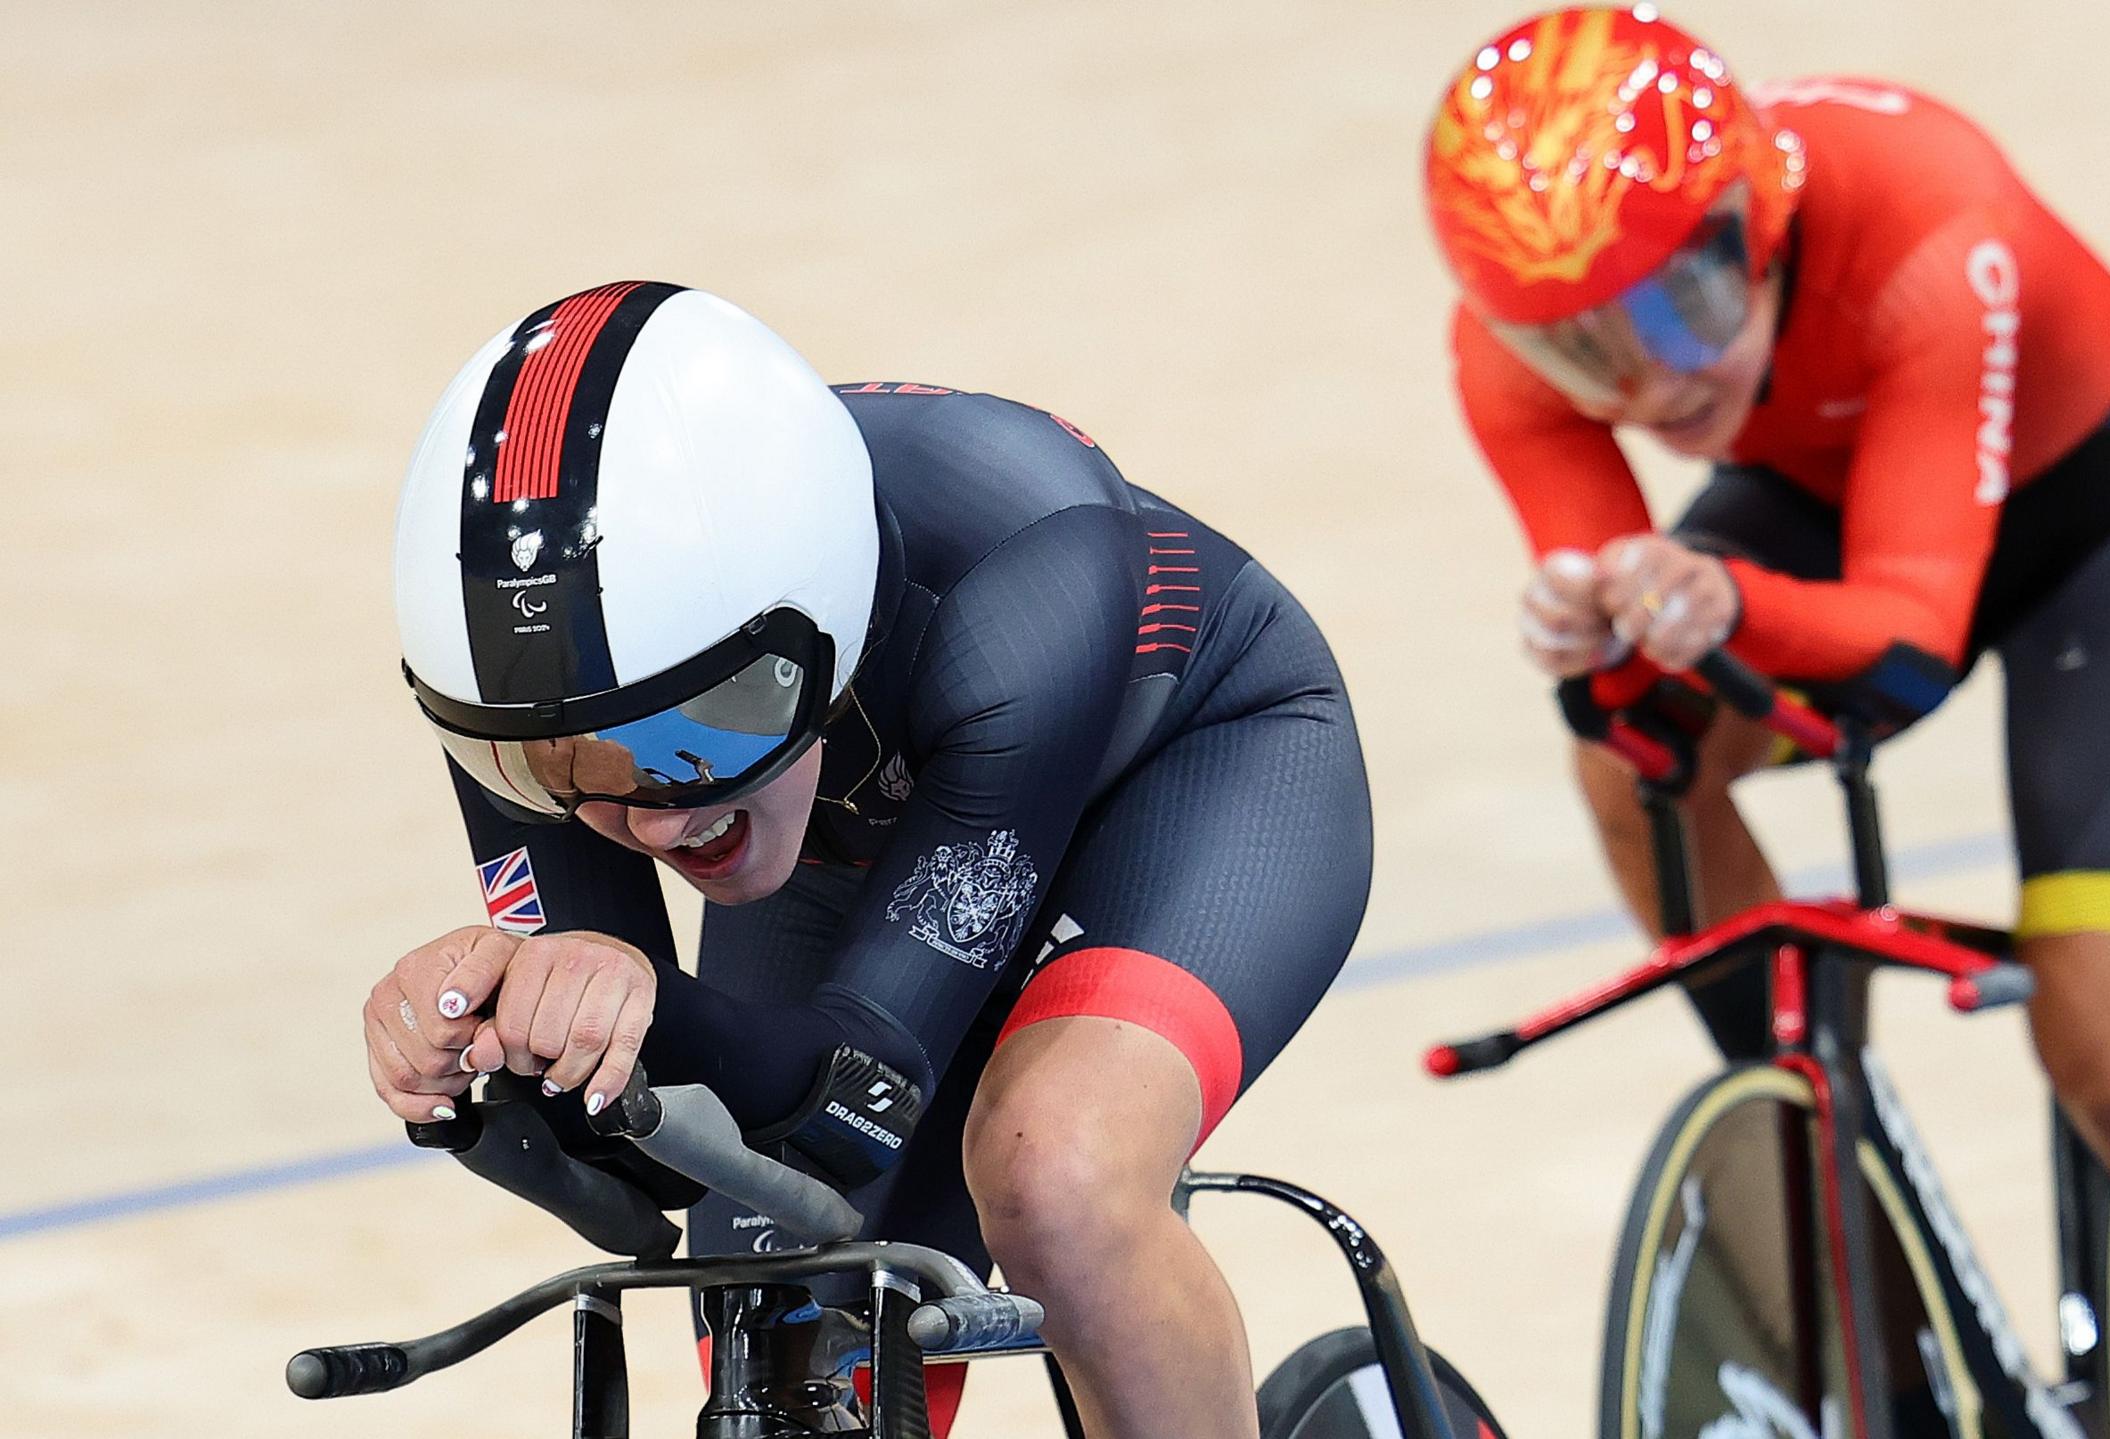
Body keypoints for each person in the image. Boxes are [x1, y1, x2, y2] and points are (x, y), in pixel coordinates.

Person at [1426, 8, 2110, 1434]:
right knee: (1625, 763)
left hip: (2095, 529)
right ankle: (1831, 1161)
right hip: (1831, 512)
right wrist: (1589, 644)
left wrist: (1715, 593)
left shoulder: (1926, 215)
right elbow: (1634, 705)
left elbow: (1906, 650)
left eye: (1682, 308)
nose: (1657, 390)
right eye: (1591, 352)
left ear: (1758, 214)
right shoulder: (1506, 361)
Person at [360, 281, 1370, 1439]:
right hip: (852, 833)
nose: (646, 819)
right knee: (781, 1309)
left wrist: (638, 1008)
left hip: (1188, 778)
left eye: (696, 738)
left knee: (1058, 1177)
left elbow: (860, 1095)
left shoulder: (1025, 565)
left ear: (823, 629)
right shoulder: (526, 693)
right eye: (556, 765)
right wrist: (478, 1053)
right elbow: (647, 1177)